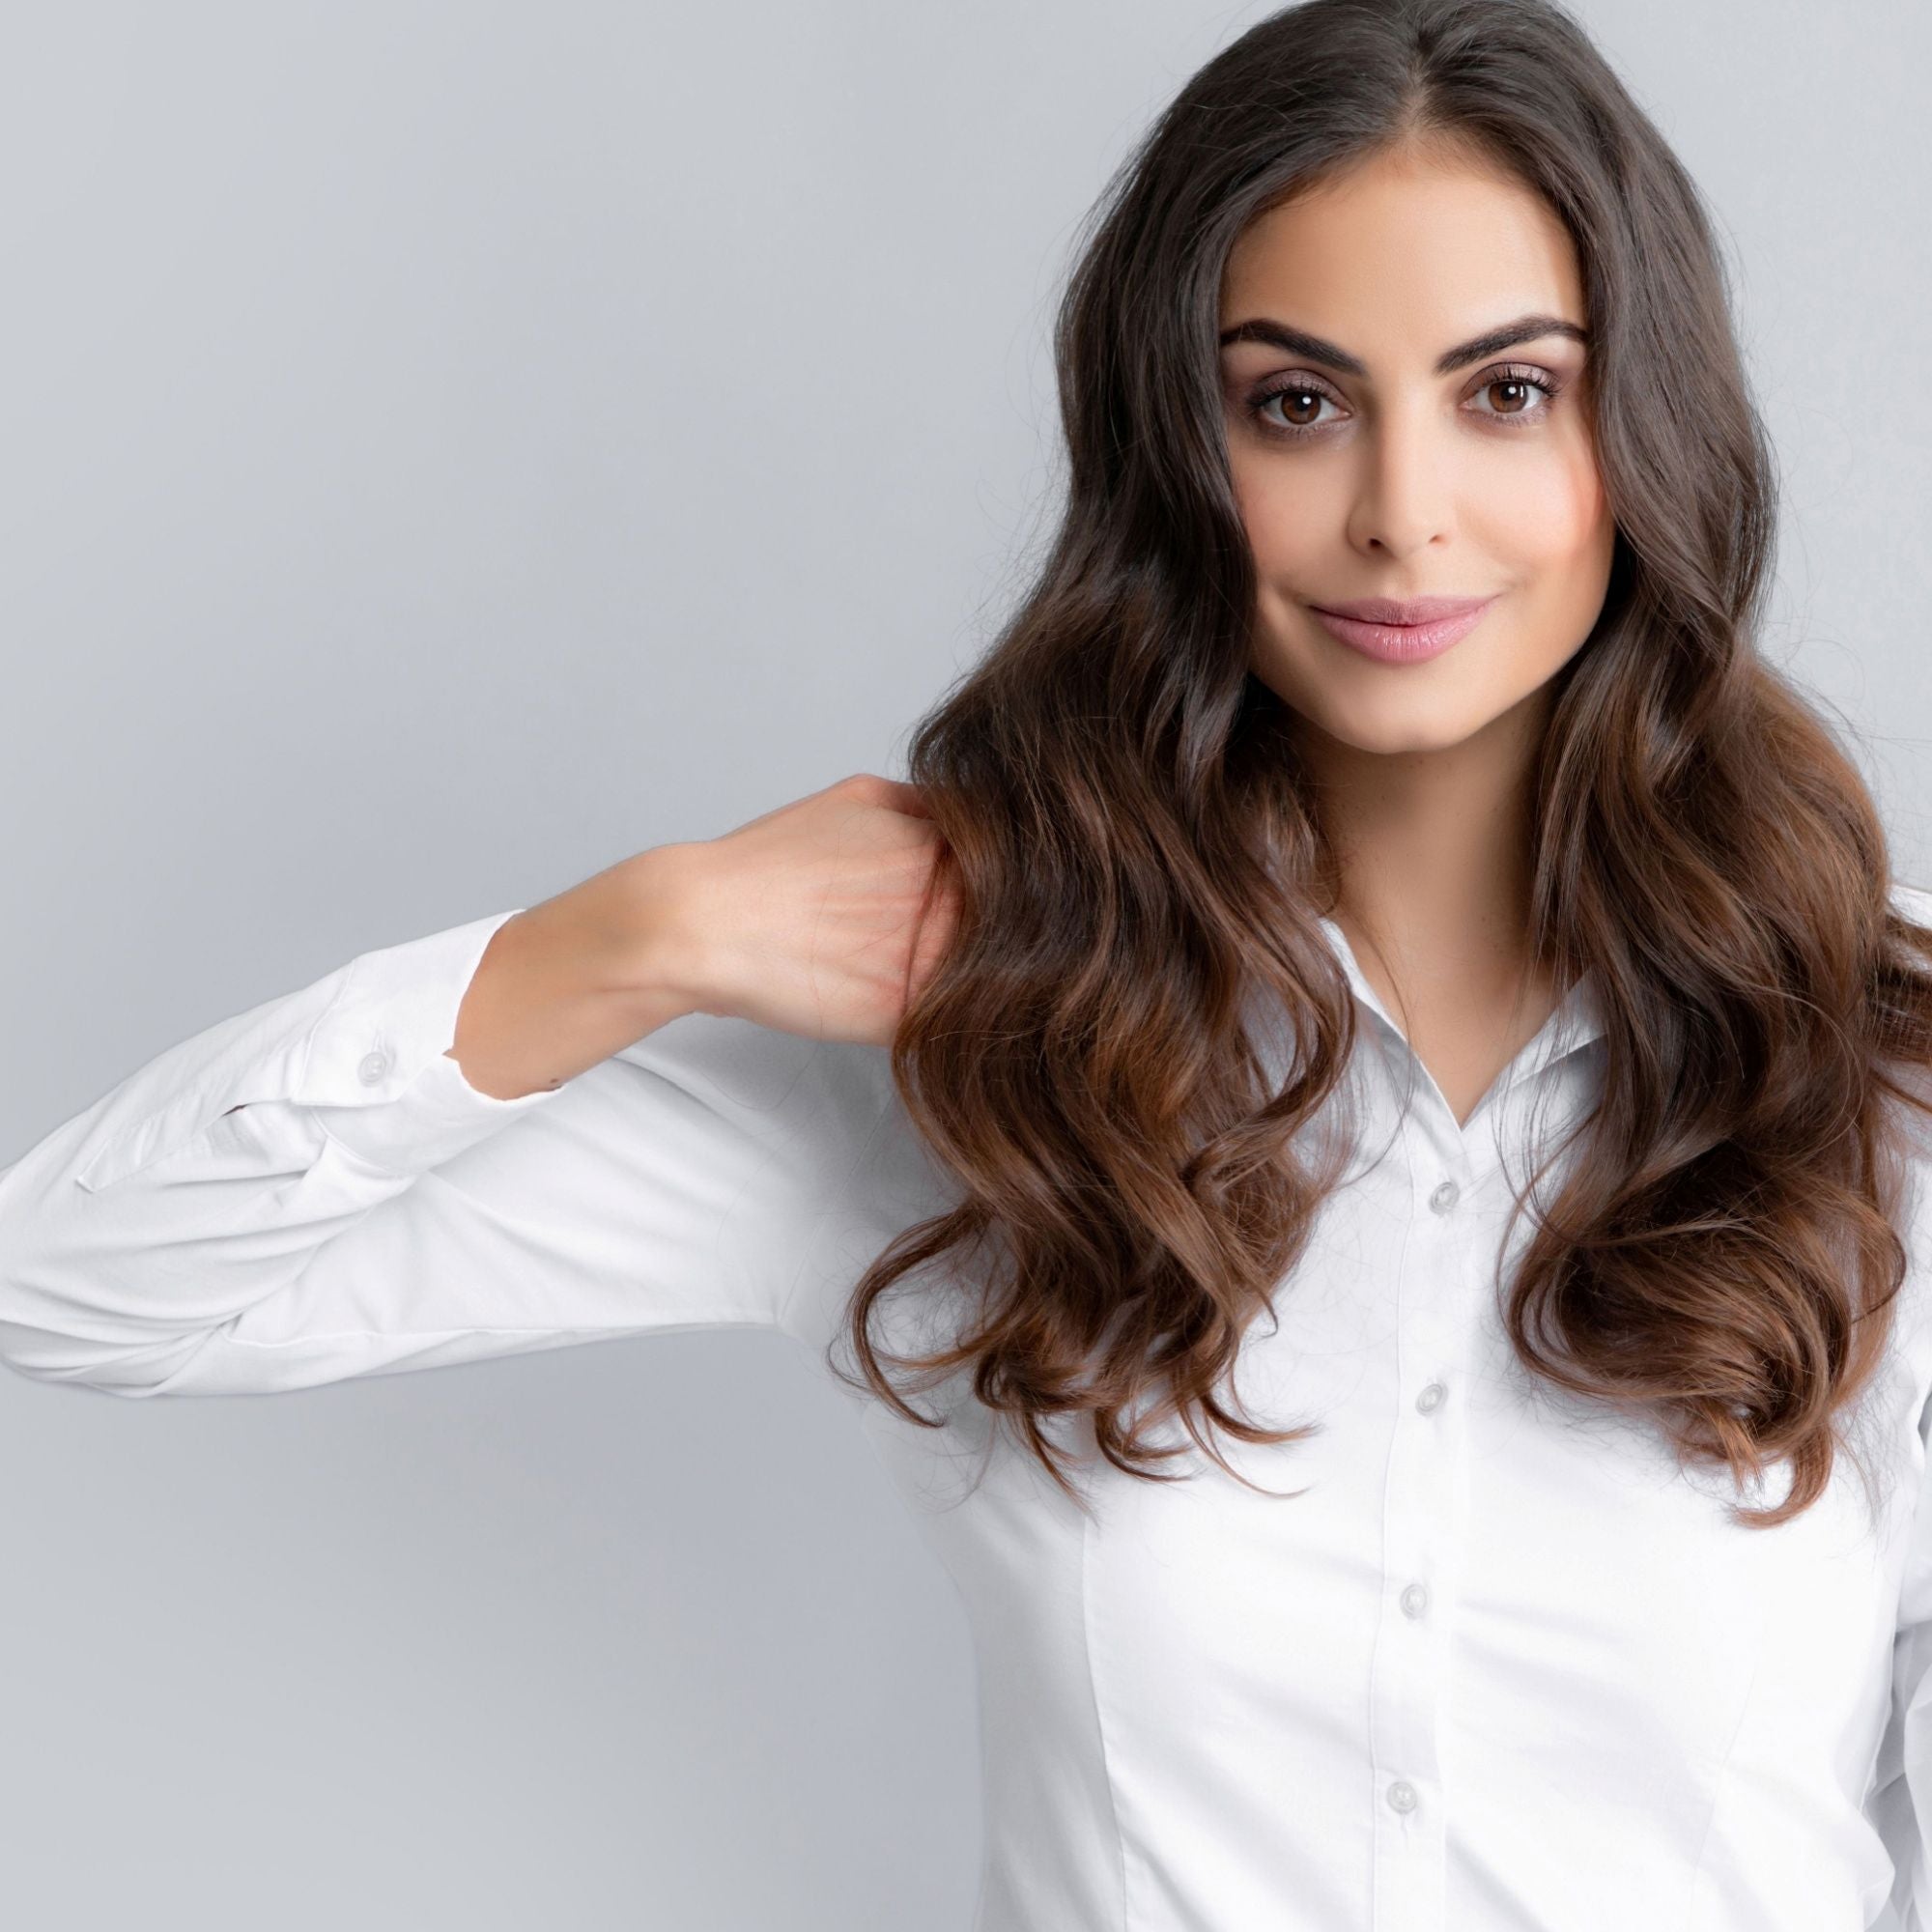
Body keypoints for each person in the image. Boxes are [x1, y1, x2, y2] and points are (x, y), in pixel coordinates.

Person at [4, 0, 1931, 1926]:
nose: (1398, 510)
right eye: (1293, 401)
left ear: (1645, 424)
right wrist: (635, 933)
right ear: (1175, 449)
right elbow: (70, 1291)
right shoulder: (985, 1051)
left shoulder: (1882, 1095)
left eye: (1505, 391)